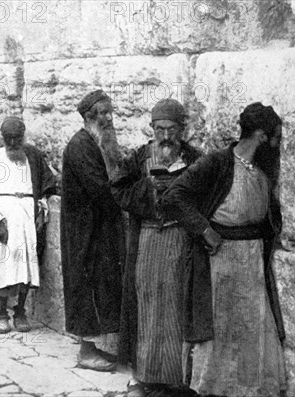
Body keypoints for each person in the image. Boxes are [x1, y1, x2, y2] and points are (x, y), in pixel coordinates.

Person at [162, 102, 286, 397]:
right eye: (276, 136)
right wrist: (205, 230)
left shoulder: (262, 169)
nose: (279, 143)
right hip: (220, 261)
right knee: (219, 330)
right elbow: (174, 196)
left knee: (252, 329)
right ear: (259, 135)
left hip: (253, 262)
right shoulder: (217, 163)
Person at [112, 98, 202, 396]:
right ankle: (142, 377)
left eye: (172, 129)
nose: (165, 136)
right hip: (148, 240)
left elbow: (207, 195)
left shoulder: (195, 159)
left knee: (176, 306)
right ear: (151, 128)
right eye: (159, 128)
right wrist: (148, 189)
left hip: (179, 241)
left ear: (182, 129)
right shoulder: (139, 158)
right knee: (146, 306)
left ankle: (174, 380)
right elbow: (118, 189)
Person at [60, 90, 125, 372]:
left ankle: (96, 346)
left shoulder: (99, 142)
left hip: (99, 228)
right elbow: (100, 188)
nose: (110, 118)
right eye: (104, 113)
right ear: (89, 117)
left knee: (101, 285)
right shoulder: (80, 146)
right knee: (86, 286)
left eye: (111, 112)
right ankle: (86, 352)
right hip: (84, 231)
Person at [0, 116, 57, 334]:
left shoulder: (31, 155)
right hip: (4, 214)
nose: (13, 143)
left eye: (17, 138)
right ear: (2, 138)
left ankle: (21, 312)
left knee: (25, 264)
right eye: (8, 139)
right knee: (3, 265)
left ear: (22, 137)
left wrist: (42, 200)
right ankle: (2, 314)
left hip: (26, 215)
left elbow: (47, 182)